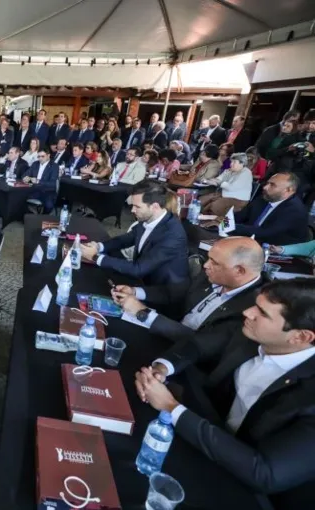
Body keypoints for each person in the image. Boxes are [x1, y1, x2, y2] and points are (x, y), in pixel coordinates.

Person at [135, 278, 315, 508]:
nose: (247, 313)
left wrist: (171, 407)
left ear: (301, 337)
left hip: (247, 493)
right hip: (207, 438)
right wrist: (161, 369)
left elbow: (265, 472)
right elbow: (196, 345)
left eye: (262, 313)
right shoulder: (252, 332)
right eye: (254, 305)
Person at [112, 236, 264, 346]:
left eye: (215, 263)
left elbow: (202, 343)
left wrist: (142, 312)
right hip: (165, 333)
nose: (205, 266)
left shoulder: (254, 308)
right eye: (208, 259)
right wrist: (135, 291)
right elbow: (176, 293)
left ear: (239, 271)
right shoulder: (214, 275)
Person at [80, 180, 189, 285]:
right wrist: (99, 247)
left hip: (160, 292)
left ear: (154, 207)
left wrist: (95, 257)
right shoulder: (149, 218)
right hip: (143, 279)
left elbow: (138, 269)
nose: (132, 210)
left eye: (137, 206)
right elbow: (125, 239)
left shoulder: (173, 235)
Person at [227, 172, 308, 245]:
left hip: (278, 250)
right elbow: (241, 216)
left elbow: (266, 232)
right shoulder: (265, 198)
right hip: (252, 241)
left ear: (288, 190)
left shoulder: (295, 210)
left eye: (272, 185)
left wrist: (231, 226)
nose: (265, 187)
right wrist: (221, 221)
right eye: (267, 183)